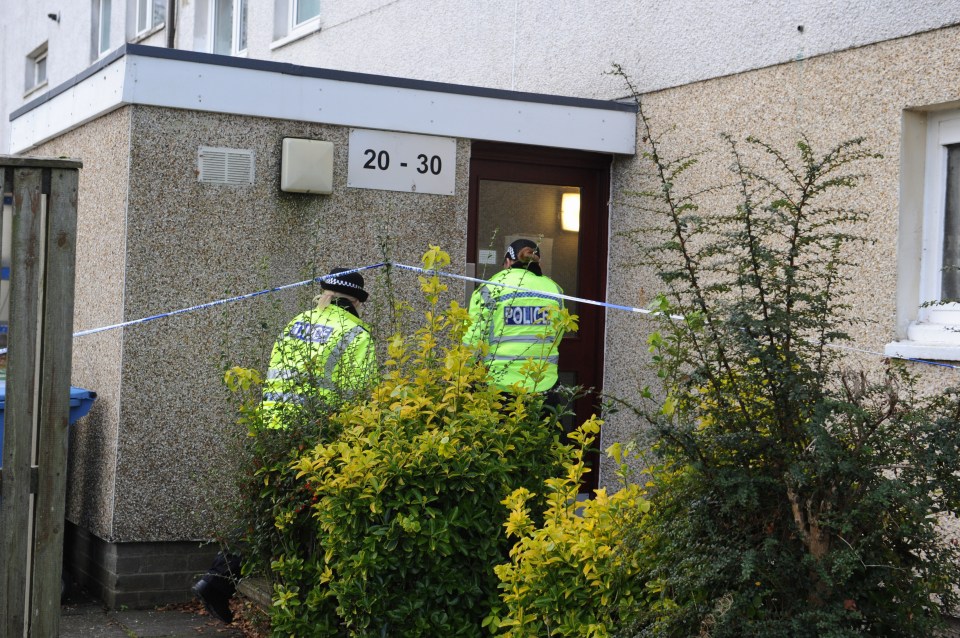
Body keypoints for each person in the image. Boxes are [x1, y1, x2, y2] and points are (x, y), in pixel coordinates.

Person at [193, 267, 376, 624]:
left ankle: (217, 580)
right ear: (355, 302)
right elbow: (358, 398)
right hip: (314, 437)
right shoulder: (355, 333)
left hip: (274, 430)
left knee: (268, 511)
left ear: (324, 294)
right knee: (313, 519)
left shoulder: (296, 323)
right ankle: (311, 609)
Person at [463, 238, 566, 409]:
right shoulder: (554, 290)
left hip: (500, 386)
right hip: (543, 383)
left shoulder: (490, 289)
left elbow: (473, 339)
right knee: (547, 435)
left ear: (508, 262)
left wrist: (461, 376)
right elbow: (558, 334)